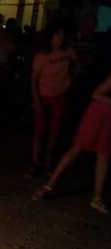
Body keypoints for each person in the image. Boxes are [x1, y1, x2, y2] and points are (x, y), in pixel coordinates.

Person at [31, 71, 111, 214]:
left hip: (109, 118)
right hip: (98, 113)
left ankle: (96, 198)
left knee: (104, 154)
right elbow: (96, 93)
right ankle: (48, 186)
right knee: (76, 149)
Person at [31, 22, 78, 174]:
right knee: (39, 130)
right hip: (44, 95)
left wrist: (71, 77)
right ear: (50, 37)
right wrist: (37, 101)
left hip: (59, 95)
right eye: (58, 35)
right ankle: (35, 161)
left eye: (62, 36)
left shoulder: (68, 52)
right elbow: (34, 80)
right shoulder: (42, 56)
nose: (61, 38)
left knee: (54, 130)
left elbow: (78, 65)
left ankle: (48, 160)